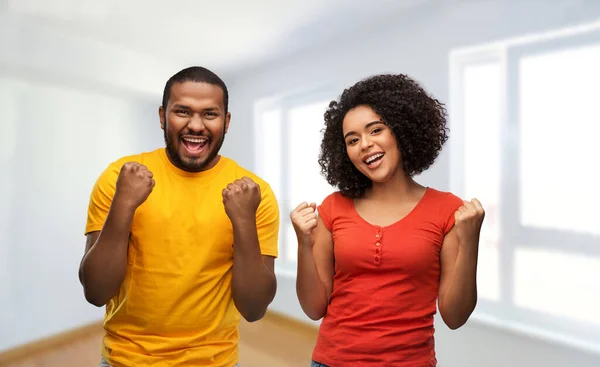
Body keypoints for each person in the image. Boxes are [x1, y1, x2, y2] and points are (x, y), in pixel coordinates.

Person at [79, 66, 279, 367]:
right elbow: (96, 292)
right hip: (125, 360)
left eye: (209, 114)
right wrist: (124, 205)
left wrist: (243, 223)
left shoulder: (254, 193)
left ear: (226, 122)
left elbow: (254, 309)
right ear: (163, 116)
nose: (196, 125)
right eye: (182, 111)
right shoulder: (119, 178)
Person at [291, 74, 485, 367]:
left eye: (376, 130)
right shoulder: (333, 208)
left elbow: (455, 316)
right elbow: (313, 308)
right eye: (352, 140)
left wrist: (470, 242)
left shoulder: (447, 210)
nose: (365, 144)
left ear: (402, 130)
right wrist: (303, 244)